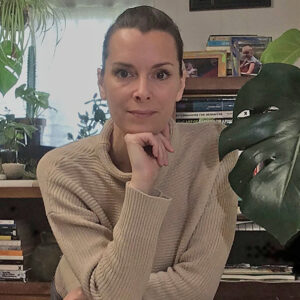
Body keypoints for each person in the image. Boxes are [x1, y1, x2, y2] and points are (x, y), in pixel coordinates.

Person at [37, 5, 238, 300]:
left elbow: (197, 288)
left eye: (160, 74)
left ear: (181, 83)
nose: (142, 91)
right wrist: (142, 185)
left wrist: (95, 293)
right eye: (124, 73)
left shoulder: (216, 150)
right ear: (101, 82)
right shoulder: (61, 169)